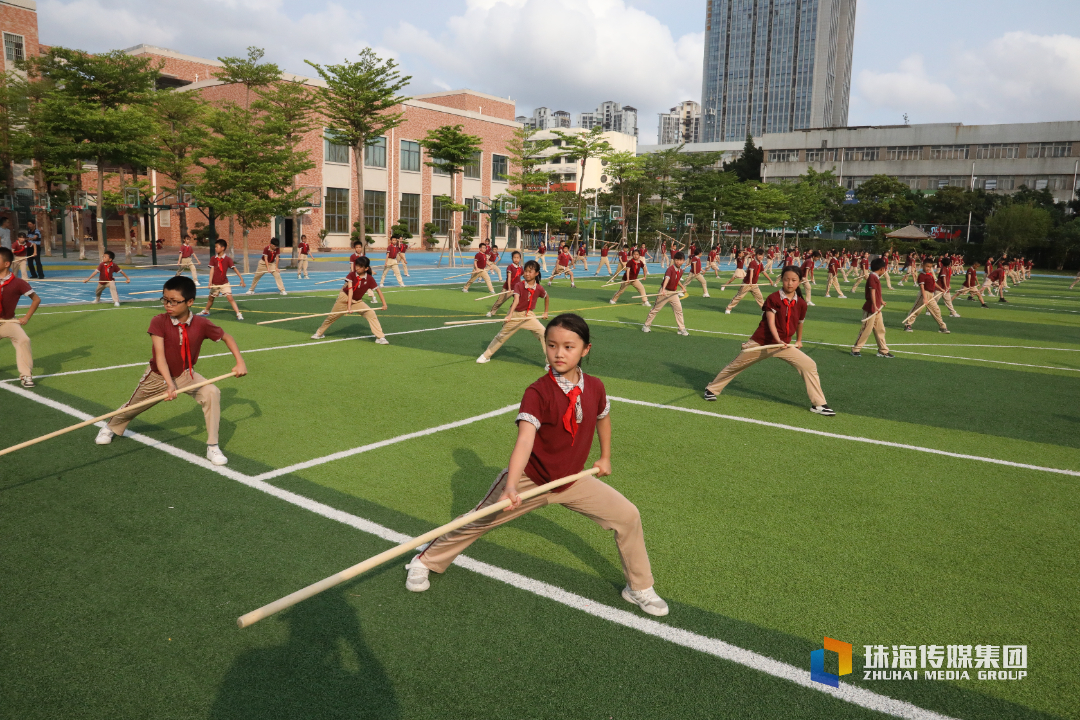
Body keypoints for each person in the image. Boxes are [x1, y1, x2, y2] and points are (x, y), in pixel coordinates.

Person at [411, 314, 669, 616]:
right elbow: (524, 441)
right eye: (551, 345)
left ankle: (638, 587)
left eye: (568, 346)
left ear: (585, 350)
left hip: (574, 480)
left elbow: (603, 417)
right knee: (478, 520)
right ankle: (424, 561)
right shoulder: (538, 392)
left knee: (627, 516)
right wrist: (510, 486)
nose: (559, 353)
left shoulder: (596, 387)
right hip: (530, 481)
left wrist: (605, 456)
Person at [95, 276, 247, 466]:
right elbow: (160, 357)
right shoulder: (159, 321)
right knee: (133, 407)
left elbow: (228, 337)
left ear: (189, 302)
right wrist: (169, 384)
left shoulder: (201, 323)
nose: (168, 305)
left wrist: (240, 362)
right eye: (165, 300)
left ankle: (212, 446)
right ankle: (111, 426)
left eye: (174, 301)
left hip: (185, 374)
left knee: (212, 392)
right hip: (158, 376)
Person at [704, 266, 835, 416]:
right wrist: (778, 339)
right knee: (736, 366)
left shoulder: (802, 304)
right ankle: (711, 389)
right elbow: (770, 322)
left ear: (800, 281)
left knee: (809, 365)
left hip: (783, 346)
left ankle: (818, 404)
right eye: (786, 280)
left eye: (793, 280)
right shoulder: (773, 298)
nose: (789, 283)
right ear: (782, 280)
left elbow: (800, 322)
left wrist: (798, 340)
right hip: (762, 343)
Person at [476, 260, 548, 364]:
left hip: (529, 316)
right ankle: (486, 355)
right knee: (501, 336)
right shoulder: (519, 285)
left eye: (530, 271)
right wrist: (509, 315)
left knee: (544, 334)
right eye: (526, 271)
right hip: (515, 314)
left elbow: (546, 297)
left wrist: (546, 312)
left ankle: (549, 363)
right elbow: (516, 300)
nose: (527, 274)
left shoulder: (539, 288)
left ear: (536, 273)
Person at [311, 256, 389, 343]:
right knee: (332, 317)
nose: (357, 268)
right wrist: (348, 307)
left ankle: (380, 337)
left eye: (360, 266)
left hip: (357, 301)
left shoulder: (370, 279)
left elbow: (378, 291)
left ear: (366, 268)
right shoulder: (351, 275)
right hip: (344, 298)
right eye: (357, 265)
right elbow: (350, 291)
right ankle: (319, 333)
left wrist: (384, 304)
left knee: (371, 313)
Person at [0, 246, 40, 387]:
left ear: (6, 264)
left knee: (23, 340)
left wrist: (26, 317)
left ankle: (26, 375)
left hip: (8, 322)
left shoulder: (18, 283)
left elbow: (36, 299)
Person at [851, 258, 893, 358]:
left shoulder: (876, 277)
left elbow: (878, 292)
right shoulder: (872, 277)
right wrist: (874, 305)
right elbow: (872, 292)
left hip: (877, 308)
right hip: (871, 308)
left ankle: (883, 350)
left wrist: (881, 301)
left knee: (880, 329)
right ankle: (855, 349)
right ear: (882, 268)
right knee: (866, 329)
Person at [642, 251, 689, 336]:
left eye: (680, 260)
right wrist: (663, 289)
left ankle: (681, 329)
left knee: (679, 310)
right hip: (665, 291)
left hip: (673, 293)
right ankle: (646, 325)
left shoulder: (681, 271)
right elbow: (667, 278)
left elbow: (676, 280)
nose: (678, 261)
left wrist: (682, 287)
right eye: (676, 260)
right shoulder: (670, 269)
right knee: (656, 309)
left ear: (683, 261)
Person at [198, 239, 245, 320]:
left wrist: (241, 279)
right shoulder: (213, 258)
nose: (215, 248)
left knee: (230, 298)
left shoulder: (228, 259)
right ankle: (206, 311)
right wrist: (210, 282)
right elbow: (212, 271)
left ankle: (238, 313)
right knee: (211, 298)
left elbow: (235, 269)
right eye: (215, 247)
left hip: (224, 283)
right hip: (215, 284)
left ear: (223, 248)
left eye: (217, 247)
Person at [903, 260, 950, 333]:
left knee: (936, 310)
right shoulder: (921, 276)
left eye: (930, 267)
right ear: (923, 266)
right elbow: (922, 287)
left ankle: (942, 327)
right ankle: (908, 325)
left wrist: (941, 289)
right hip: (923, 294)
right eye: (927, 266)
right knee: (916, 310)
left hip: (931, 295)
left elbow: (934, 283)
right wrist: (925, 298)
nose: (929, 268)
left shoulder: (930, 274)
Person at [725, 248, 773, 314]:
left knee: (760, 298)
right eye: (759, 255)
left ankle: (764, 311)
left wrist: (770, 280)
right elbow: (751, 272)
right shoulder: (752, 263)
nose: (760, 257)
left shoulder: (760, 264)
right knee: (739, 296)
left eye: (761, 255)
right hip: (747, 284)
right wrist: (750, 282)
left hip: (754, 285)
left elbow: (764, 272)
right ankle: (729, 308)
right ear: (756, 255)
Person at [487, 250, 525, 317]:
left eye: (517, 258)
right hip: (508, 288)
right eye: (514, 257)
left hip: (517, 289)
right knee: (500, 301)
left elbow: (523, 275)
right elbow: (509, 278)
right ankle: (491, 312)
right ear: (512, 258)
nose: (516, 259)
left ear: (520, 259)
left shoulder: (521, 268)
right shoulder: (510, 267)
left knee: (520, 300)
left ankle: (517, 312)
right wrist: (509, 288)